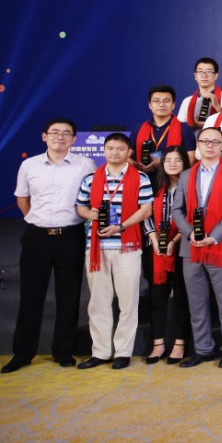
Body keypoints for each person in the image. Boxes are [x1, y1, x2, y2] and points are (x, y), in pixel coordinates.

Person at [3, 119, 96, 374]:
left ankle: (63, 351)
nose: (60, 137)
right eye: (54, 132)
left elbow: (90, 198)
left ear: (74, 139)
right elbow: (23, 200)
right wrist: (39, 221)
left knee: (69, 296)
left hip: (71, 236)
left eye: (66, 133)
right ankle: (23, 353)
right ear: (44, 136)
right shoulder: (29, 165)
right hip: (37, 237)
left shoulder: (86, 165)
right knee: (30, 296)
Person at [74, 133, 155, 370]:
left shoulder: (140, 178)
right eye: (110, 148)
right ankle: (100, 352)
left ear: (128, 152)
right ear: (104, 151)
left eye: (120, 149)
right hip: (96, 248)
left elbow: (146, 209)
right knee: (98, 302)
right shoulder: (91, 178)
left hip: (127, 247)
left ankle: (123, 352)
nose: (115, 152)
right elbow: (80, 206)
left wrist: (121, 226)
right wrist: (89, 214)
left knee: (128, 302)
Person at [172, 127, 222, 368]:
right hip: (191, 247)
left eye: (215, 142)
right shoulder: (186, 175)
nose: (210, 146)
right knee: (196, 303)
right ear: (198, 145)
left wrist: (213, 237)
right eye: (205, 141)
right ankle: (202, 349)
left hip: (221, 246)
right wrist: (190, 233)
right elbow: (177, 210)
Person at [144, 146, 192, 366]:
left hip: (182, 247)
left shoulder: (191, 186)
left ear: (185, 164)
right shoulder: (155, 186)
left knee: (181, 296)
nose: (172, 164)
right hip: (156, 248)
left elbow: (193, 218)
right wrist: (154, 240)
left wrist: (174, 241)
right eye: (168, 160)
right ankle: (158, 344)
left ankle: (180, 343)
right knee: (156, 298)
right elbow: (146, 214)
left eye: (177, 160)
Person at [133, 85, 196, 176]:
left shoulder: (185, 129)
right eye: (156, 101)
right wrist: (137, 165)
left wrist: (163, 163)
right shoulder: (139, 129)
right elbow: (126, 157)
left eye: (166, 101)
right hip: (143, 180)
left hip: (173, 180)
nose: (161, 104)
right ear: (150, 105)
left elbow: (191, 159)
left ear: (173, 105)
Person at [178, 57, 222, 130]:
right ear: (195, 76)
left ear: (216, 76)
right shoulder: (187, 101)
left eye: (208, 71)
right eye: (200, 71)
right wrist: (195, 125)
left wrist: (218, 107)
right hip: (195, 137)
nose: (204, 75)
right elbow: (179, 129)